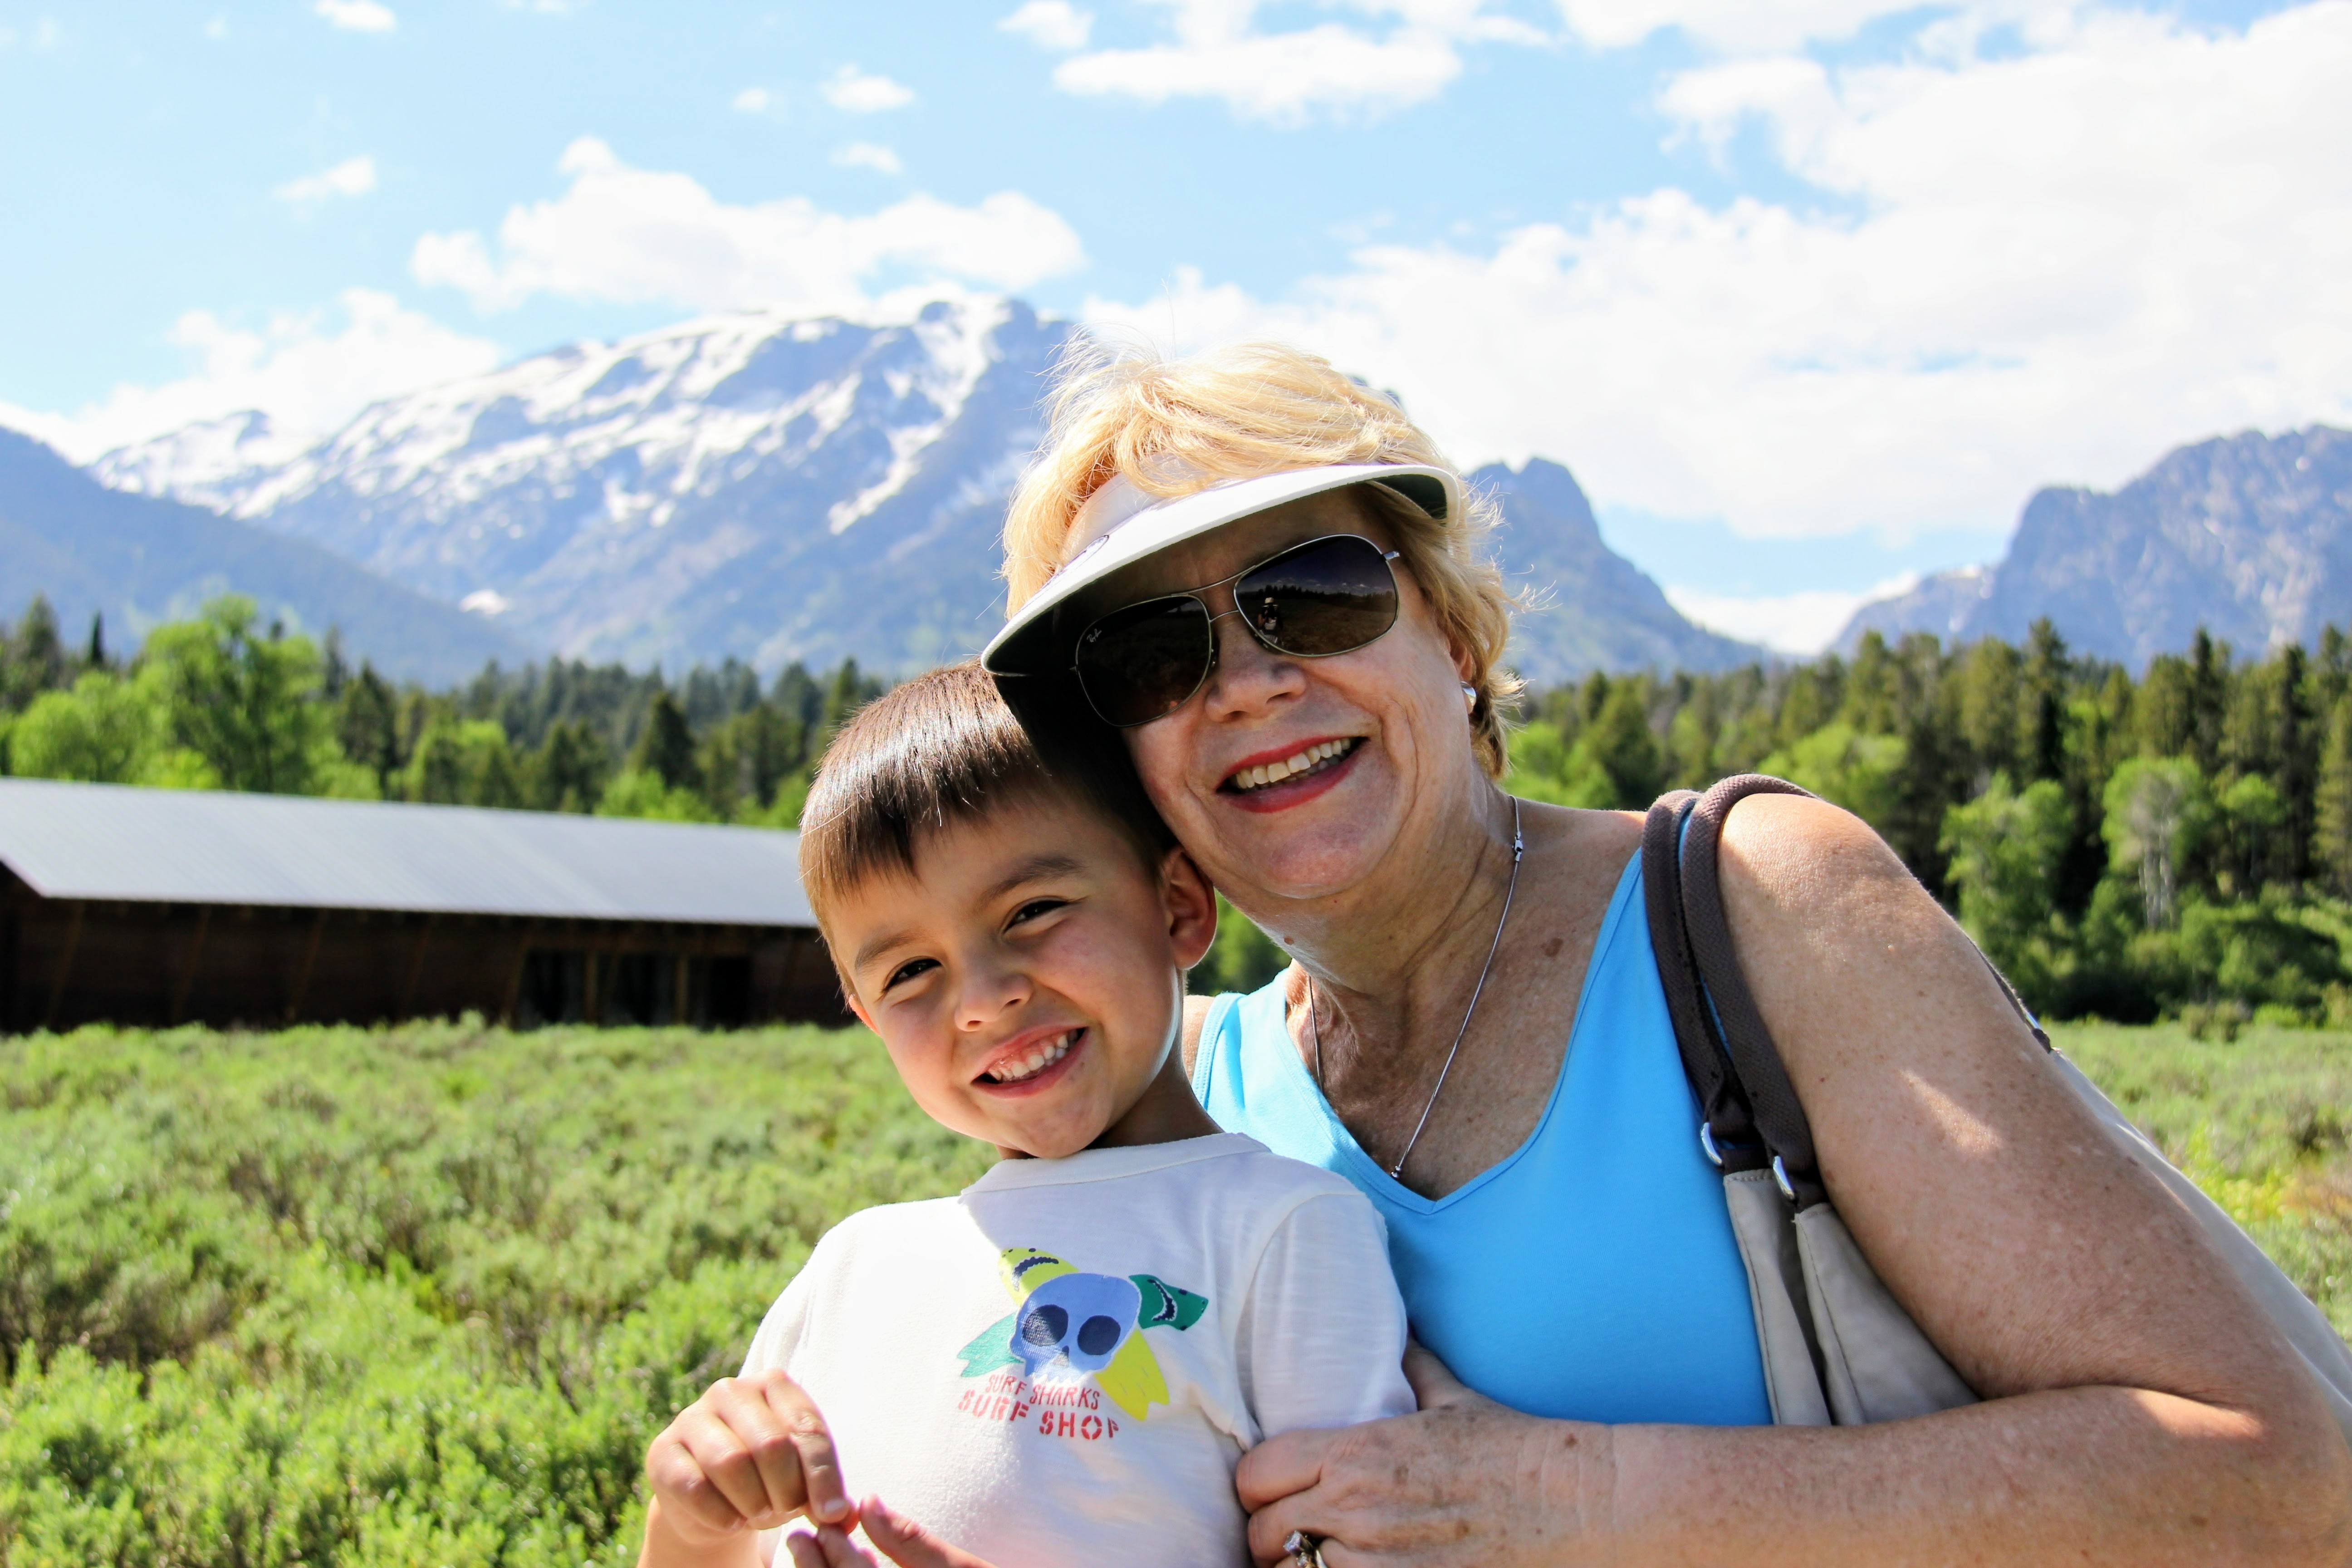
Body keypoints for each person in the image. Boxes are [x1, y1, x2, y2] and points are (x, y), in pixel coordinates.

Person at [979, 341, 2352, 1564]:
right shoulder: (1180, 1099)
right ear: (1115, 759)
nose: (1246, 683)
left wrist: (1578, 1502)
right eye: (1149, 657)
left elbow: (2284, 1484)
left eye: (1314, 594)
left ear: (1453, 632)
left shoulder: (1750, 909)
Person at [636, 662, 1415, 1568]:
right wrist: (693, 1522)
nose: (982, 1000)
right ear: (868, 1018)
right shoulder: (855, 1265)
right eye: (909, 973)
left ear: (1177, 906)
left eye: (1033, 911)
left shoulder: (1284, 1231)